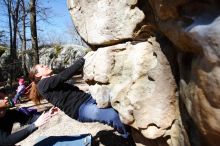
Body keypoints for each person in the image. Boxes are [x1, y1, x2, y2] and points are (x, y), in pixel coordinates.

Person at [29, 57, 130, 139]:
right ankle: (128, 137)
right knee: (112, 115)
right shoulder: (43, 84)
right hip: (80, 109)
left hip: (87, 99)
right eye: (42, 66)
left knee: (117, 105)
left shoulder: (49, 82)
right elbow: (63, 76)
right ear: (37, 74)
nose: (46, 65)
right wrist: (82, 60)